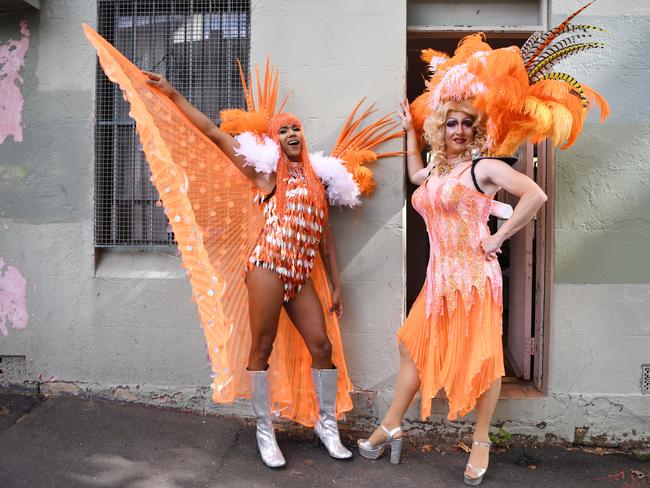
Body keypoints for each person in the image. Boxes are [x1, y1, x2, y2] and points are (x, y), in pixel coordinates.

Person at [83, 25, 401, 469]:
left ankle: (326, 425)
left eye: (296, 129)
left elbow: (326, 238)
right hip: (268, 266)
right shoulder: (266, 177)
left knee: (322, 347)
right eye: (283, 130)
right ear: (275, 141)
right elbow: (214, 134)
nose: (292, 133)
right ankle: (264, 431)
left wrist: (337, 286)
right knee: (262, 346)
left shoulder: (320, 184)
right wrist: (173, 94)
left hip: (302, 273)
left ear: (303, 138)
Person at [357, 4, 608, 485]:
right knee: (413, 349)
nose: (458, 130)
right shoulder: (436, 170)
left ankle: (481, 439)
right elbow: (413, 177)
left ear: (475, 129)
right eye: (450, 123)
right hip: (438, 279)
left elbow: (535, 194)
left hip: (474, 277)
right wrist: (410, 133)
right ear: (440, 127)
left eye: (465, 123)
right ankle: (392, 425)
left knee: (484, 357)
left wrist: (498, 235)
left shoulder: (484, 168)